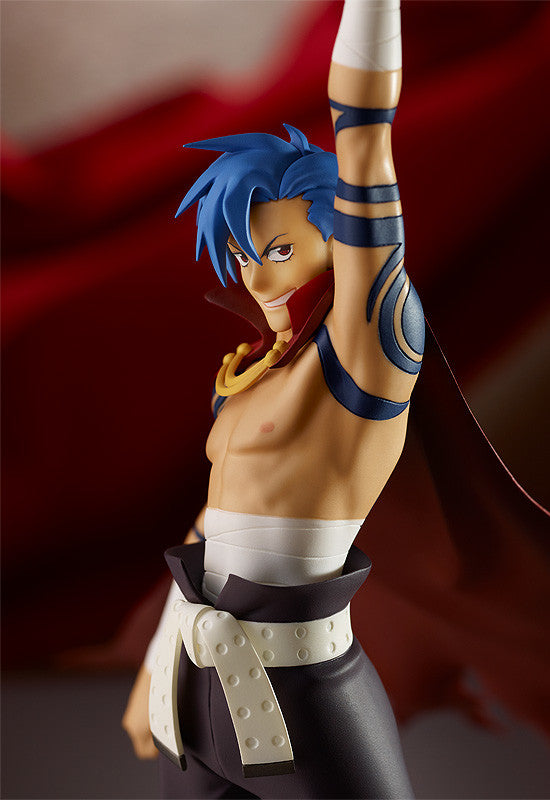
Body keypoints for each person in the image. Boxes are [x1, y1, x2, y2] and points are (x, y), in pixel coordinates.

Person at [124, 1, 419, 796]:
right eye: (243, 252)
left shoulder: (361, 357)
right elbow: (212, 527)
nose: (258, 276)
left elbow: (365, 137)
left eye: (282, 248)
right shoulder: (251, 372)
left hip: (304, 689)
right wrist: (156, 663)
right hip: (198, 682)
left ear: (337, 238)